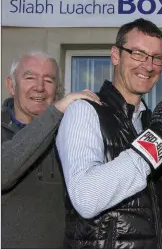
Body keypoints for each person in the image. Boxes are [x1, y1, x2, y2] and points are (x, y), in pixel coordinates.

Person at [56, 18, 162, 249]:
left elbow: (152, 198)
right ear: (116, 55)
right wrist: (157, 142)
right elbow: (85, 197)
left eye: (156, 58)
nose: (148, 65)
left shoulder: (151, 121)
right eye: (138, 53)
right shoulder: (84, 111)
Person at [1, 51, 101, 248]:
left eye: (48, 80)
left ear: (57, 89)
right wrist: (55, 112)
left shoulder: (69, 133)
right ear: (11, 85)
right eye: (29, 77)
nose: (39, 87)